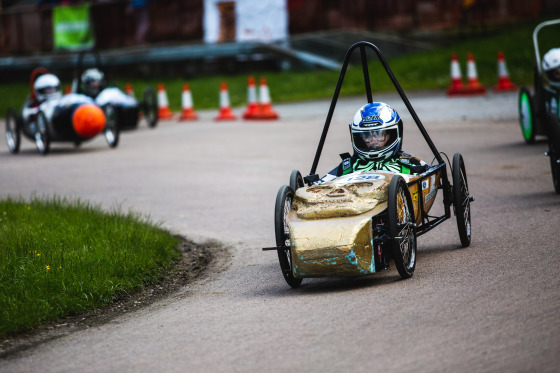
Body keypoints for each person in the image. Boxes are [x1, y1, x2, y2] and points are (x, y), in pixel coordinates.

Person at [316, 102, 429, 185]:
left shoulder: (409, 164)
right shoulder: (349, 165)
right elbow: (322, 183)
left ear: (392, 134)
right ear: (358, 137)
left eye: (379, 135)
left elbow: (432, 175)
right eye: (367, 136)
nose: (374, 141)